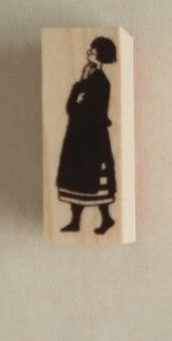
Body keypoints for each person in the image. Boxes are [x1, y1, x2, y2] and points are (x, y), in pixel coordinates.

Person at [57, 37, 117, 235]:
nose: (89, 52)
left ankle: (106, 219)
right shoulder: (87, 76)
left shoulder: (100, 81)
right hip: (79, 135)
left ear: (100, 55)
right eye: (90, 49)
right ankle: (75, 221)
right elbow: (71, 107)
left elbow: (87, 110)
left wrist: (80, 94)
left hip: (92, 138)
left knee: (92, 178)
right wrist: (80, 88)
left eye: (93, 50)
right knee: (76, 177)